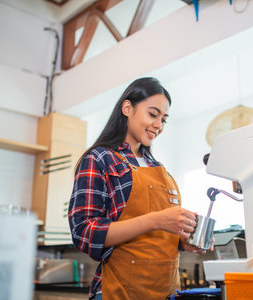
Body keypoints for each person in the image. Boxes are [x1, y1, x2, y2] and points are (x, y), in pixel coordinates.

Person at [68, 77, 209, 300]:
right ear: (128, 108)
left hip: (166, 292)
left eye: (164, 120)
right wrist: (157, 219)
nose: (159, 126)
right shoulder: (100, 159)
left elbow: (156, 238)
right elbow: (84, 232)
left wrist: (183, 240)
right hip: (119, 291)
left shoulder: (159, 168)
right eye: (153, 114)